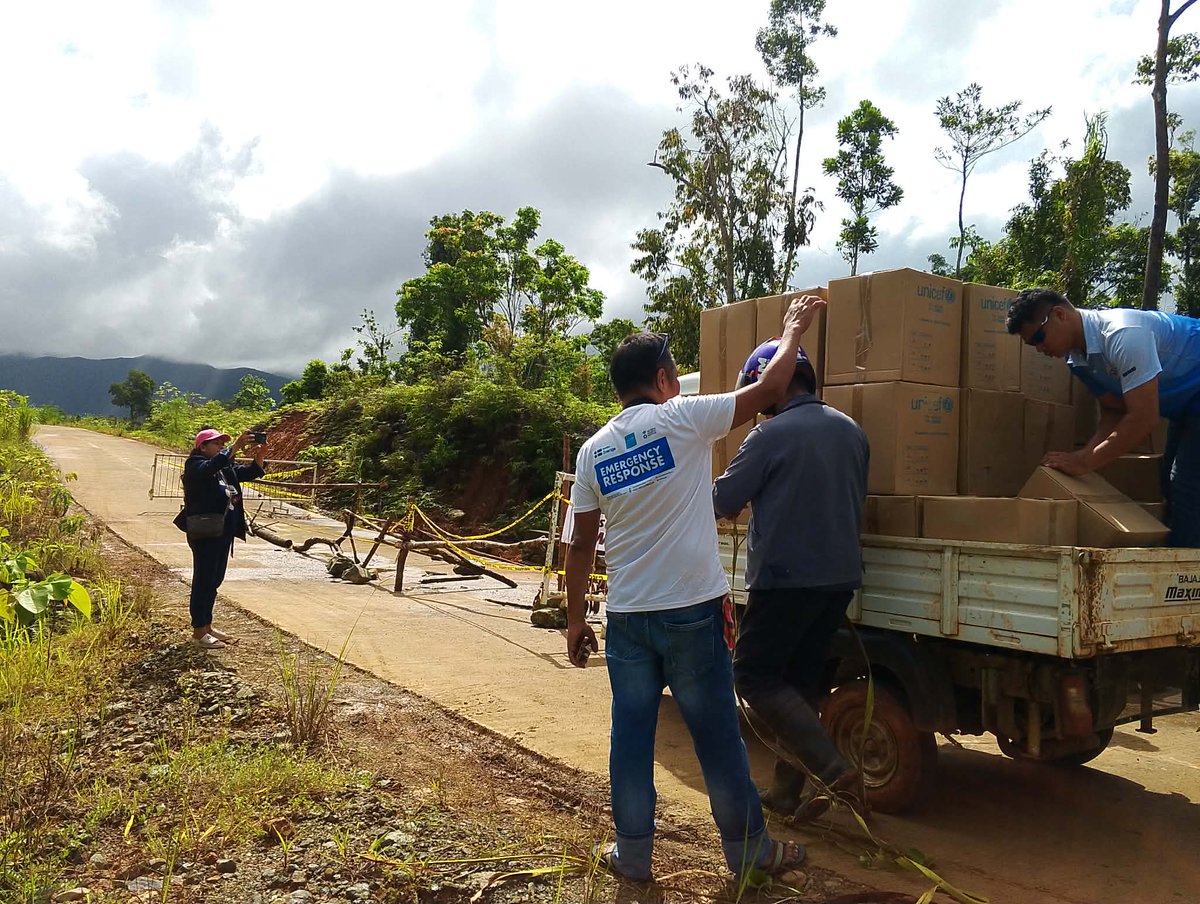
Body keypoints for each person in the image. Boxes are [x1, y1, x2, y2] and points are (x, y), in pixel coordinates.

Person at [564, 295, 824, 883]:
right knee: (717, 740)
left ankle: (632, 856)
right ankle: (751, 856)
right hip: (692, 615)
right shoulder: (683, 419)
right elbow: (771, 387)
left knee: (630, 740)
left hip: (628, 619)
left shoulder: (593, 450)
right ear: (662, 379)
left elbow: (579, 545)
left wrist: (576, 621)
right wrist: (791, 329)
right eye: (674, 372)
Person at [712, 340, 869, 821]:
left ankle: (832, 766)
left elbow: (723, 501)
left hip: (784, 578)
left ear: (773, 384)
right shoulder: (852, 431)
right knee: (798, 684)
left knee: (753, 676)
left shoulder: (769, 436)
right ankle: (785, 792)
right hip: (839, 580)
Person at [1006, 288, 1200, 546]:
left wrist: (1086, 462)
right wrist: (1082, 455)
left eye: (1039, 337)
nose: (1040, 348)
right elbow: (1114, 411)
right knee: (1167, 482)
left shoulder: (1123, 335)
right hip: (1187, 404)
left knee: (1187, 489)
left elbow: (1143, 418)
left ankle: (1183, 578)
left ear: (1060, 315)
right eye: (1032, 344)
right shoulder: (1078, 360)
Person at [181, 428, 266, 649]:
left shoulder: (222, 467)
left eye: (222, 443)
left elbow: (245, 473)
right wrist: (235, 447)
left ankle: (207, 626)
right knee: (204, 580)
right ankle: (199, 631)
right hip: (205, 532)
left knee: (214, 579)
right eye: (216, 443)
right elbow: (210, 467)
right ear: (202, 447)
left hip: (223, 531)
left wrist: (259, 458)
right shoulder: (195, 465)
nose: (220, 446)